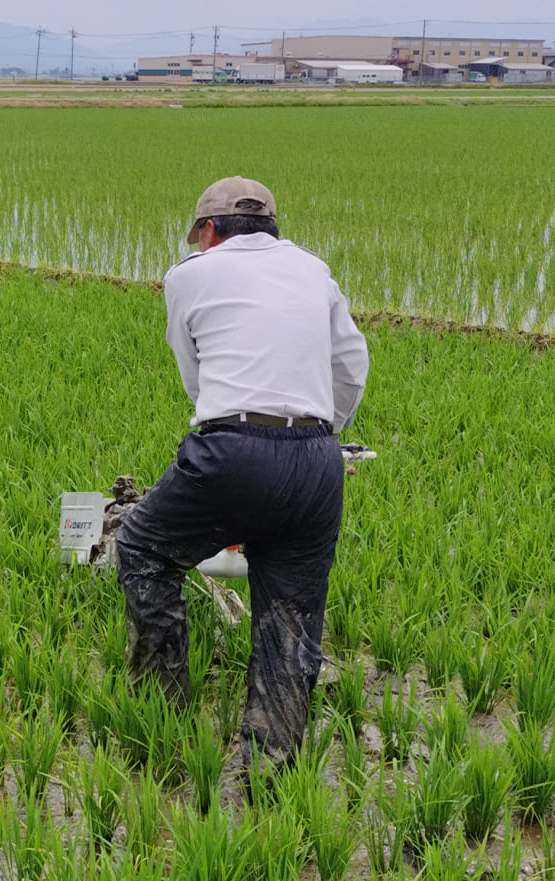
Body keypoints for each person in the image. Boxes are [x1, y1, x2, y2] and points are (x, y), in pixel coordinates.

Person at [115, 175, 369, 771]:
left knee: (144, 547)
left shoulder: (189, 275)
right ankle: (272, 770)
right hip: (317, 461)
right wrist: (323, 432)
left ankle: (162, 713)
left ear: (208, 231)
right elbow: (352, 364)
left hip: (231, 449)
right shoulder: (314, 270)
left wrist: (233, 435)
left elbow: (195, 371)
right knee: (291, 611)